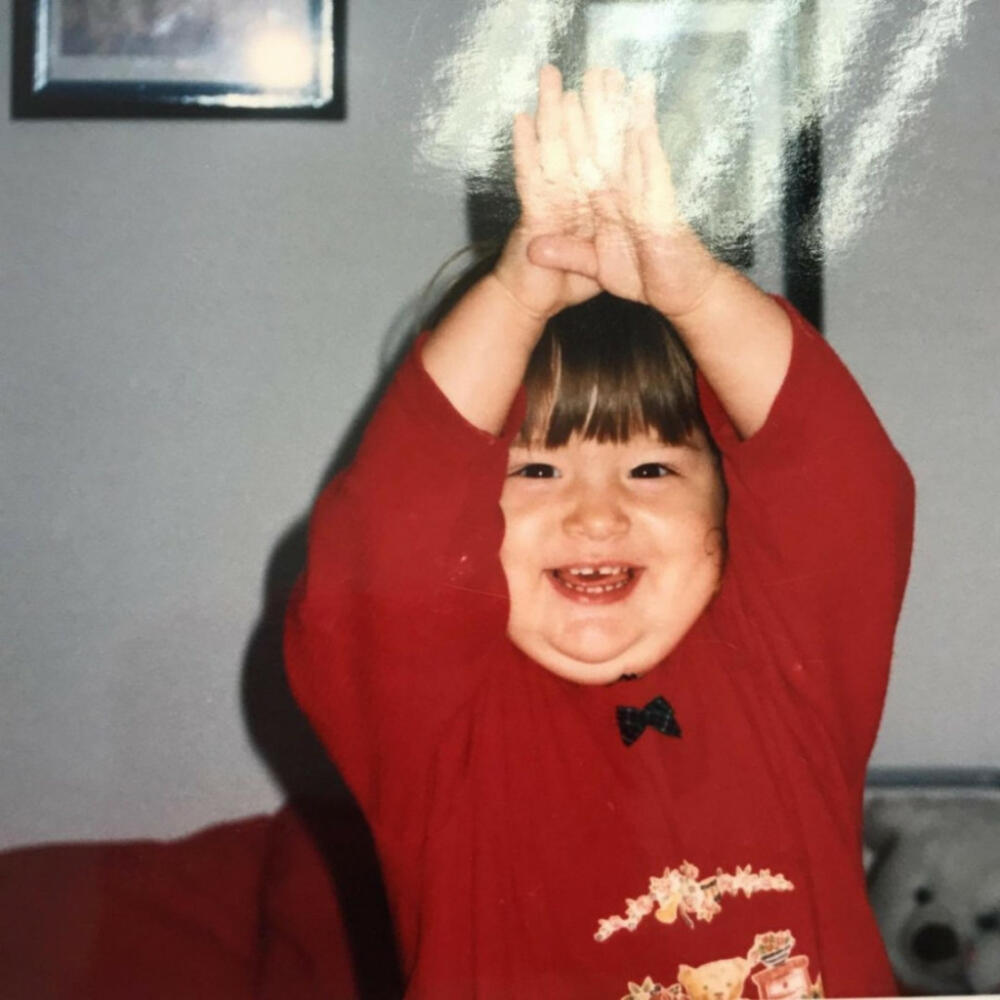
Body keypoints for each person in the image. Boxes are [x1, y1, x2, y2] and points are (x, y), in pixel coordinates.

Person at [285, 65, 914, 1000]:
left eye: (652, 469)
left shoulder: (786, 670)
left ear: (728, 517)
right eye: (535, 471)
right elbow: (385, 541)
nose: (595, 514)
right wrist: (518, 295)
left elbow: (842, 479)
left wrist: (694, 290)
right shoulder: (437, 732)